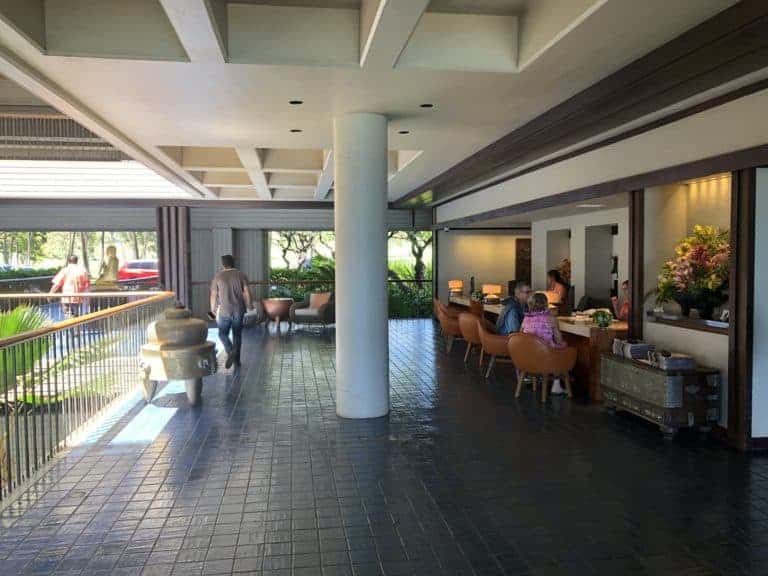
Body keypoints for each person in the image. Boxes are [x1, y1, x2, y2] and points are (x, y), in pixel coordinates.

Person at [210, 254, 252, 369]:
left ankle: (230, 350)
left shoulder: (218, 276)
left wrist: (212, 309)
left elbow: (213, 295)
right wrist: (250, 305)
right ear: (233, 262)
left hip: (224, 311)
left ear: (223, 264)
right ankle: (237, 361)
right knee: (237, 335)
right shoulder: (241, 275)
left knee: (222, 334)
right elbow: (246, 292)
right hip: (239, 310)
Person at [522, 292, 567, 394]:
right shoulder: (551, 319)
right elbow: (559, 340)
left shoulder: (525, 319)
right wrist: (563, 344)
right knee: (559, 352)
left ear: (530, 305)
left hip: (526, 356)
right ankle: (556, 384)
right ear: (546, 305)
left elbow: (520, 336)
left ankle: (531, 377)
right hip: (546, 356)